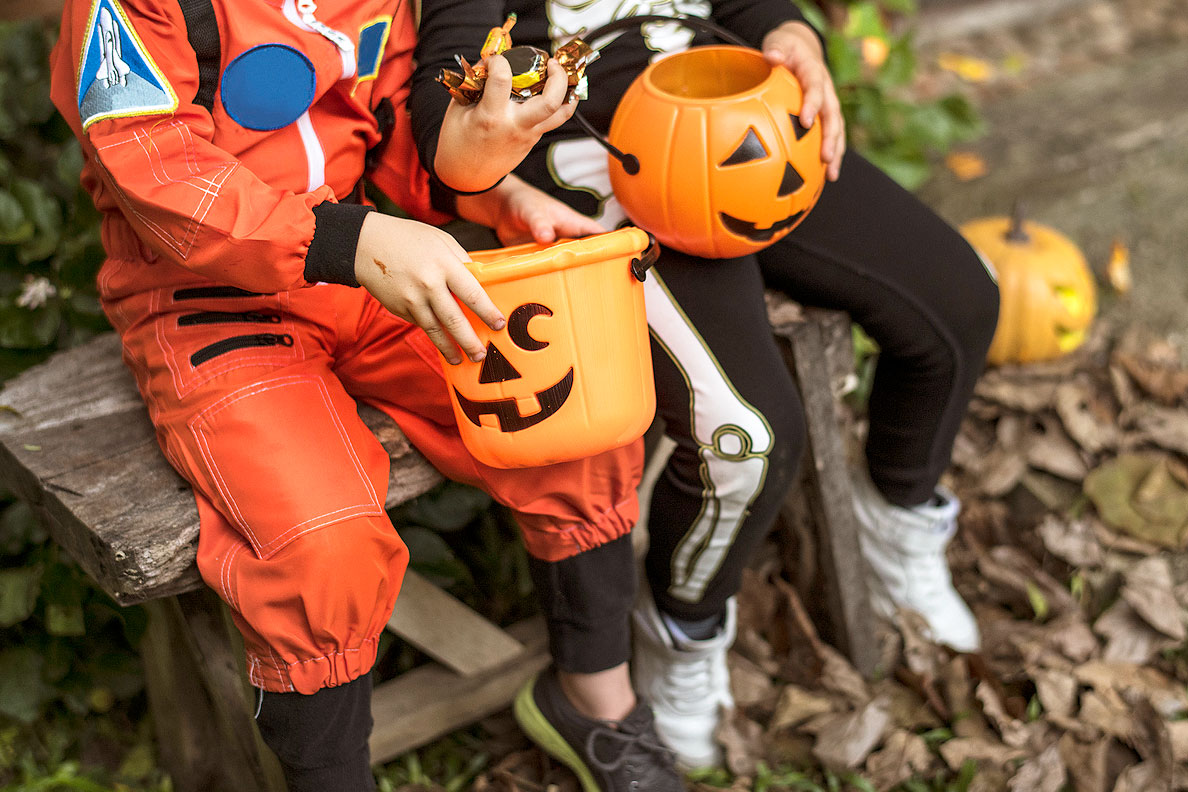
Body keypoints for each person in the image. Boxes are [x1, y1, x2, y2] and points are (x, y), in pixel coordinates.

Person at [49, 0, 689, 790]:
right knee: (323, 543)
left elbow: (385, 128)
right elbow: (152, 165)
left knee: (568, 411)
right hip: (206, 297)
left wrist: (491, 199)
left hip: (374, 265)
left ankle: (595, 708)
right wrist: (347, 242)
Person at [411, 0, 1000, 782]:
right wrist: (478, 149)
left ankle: (898, 509)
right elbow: (440, 112)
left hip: (741, 122)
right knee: (746, 439)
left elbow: (745, 6)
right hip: (597, 171)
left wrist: (790, 35)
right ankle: (683, 626)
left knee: (958, 303)